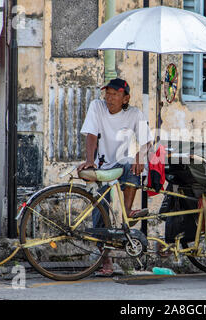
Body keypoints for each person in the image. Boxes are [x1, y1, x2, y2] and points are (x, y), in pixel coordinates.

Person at [77, 78, 153, 276]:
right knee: (100, 211)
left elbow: (147, 141)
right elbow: (91, 135)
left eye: (115, 94)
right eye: (107, 93)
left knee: (132, 164)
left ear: (125, 98)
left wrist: (140, 155)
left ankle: (127, 214)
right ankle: (106, 261)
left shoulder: (135, 114)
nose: (109, 98)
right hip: (104, 165)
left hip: (125, 165)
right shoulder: (97, 106)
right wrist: (90, 160)